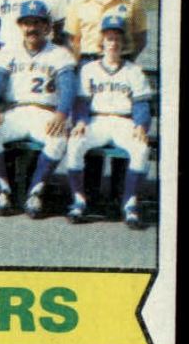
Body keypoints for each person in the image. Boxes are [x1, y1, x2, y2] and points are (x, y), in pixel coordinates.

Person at [0, 0, 76, 218]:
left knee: (58, 138)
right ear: (20, 26)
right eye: (27, 23)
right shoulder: (8, 51)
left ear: (47, 26)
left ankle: (36, 191)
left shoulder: (60, 54)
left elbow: (69, 89)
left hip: (46, 112)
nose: (31, 28)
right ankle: (4, 189)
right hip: (16, 111)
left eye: (37, 23)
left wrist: (61, 115)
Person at [65, 15, 152, 228]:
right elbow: (82, 102)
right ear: (101, 42)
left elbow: (141, 104)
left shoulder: (134, 71)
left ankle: (129, 204)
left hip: (124, 122)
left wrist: (141, 125)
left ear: (124, 43)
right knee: (75, 143)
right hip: (97, 121)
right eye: (109, 38)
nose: (113, 43)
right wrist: (80, 121)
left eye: (117, 39)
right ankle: (79, 200)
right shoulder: (89, 69)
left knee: (141, 149)